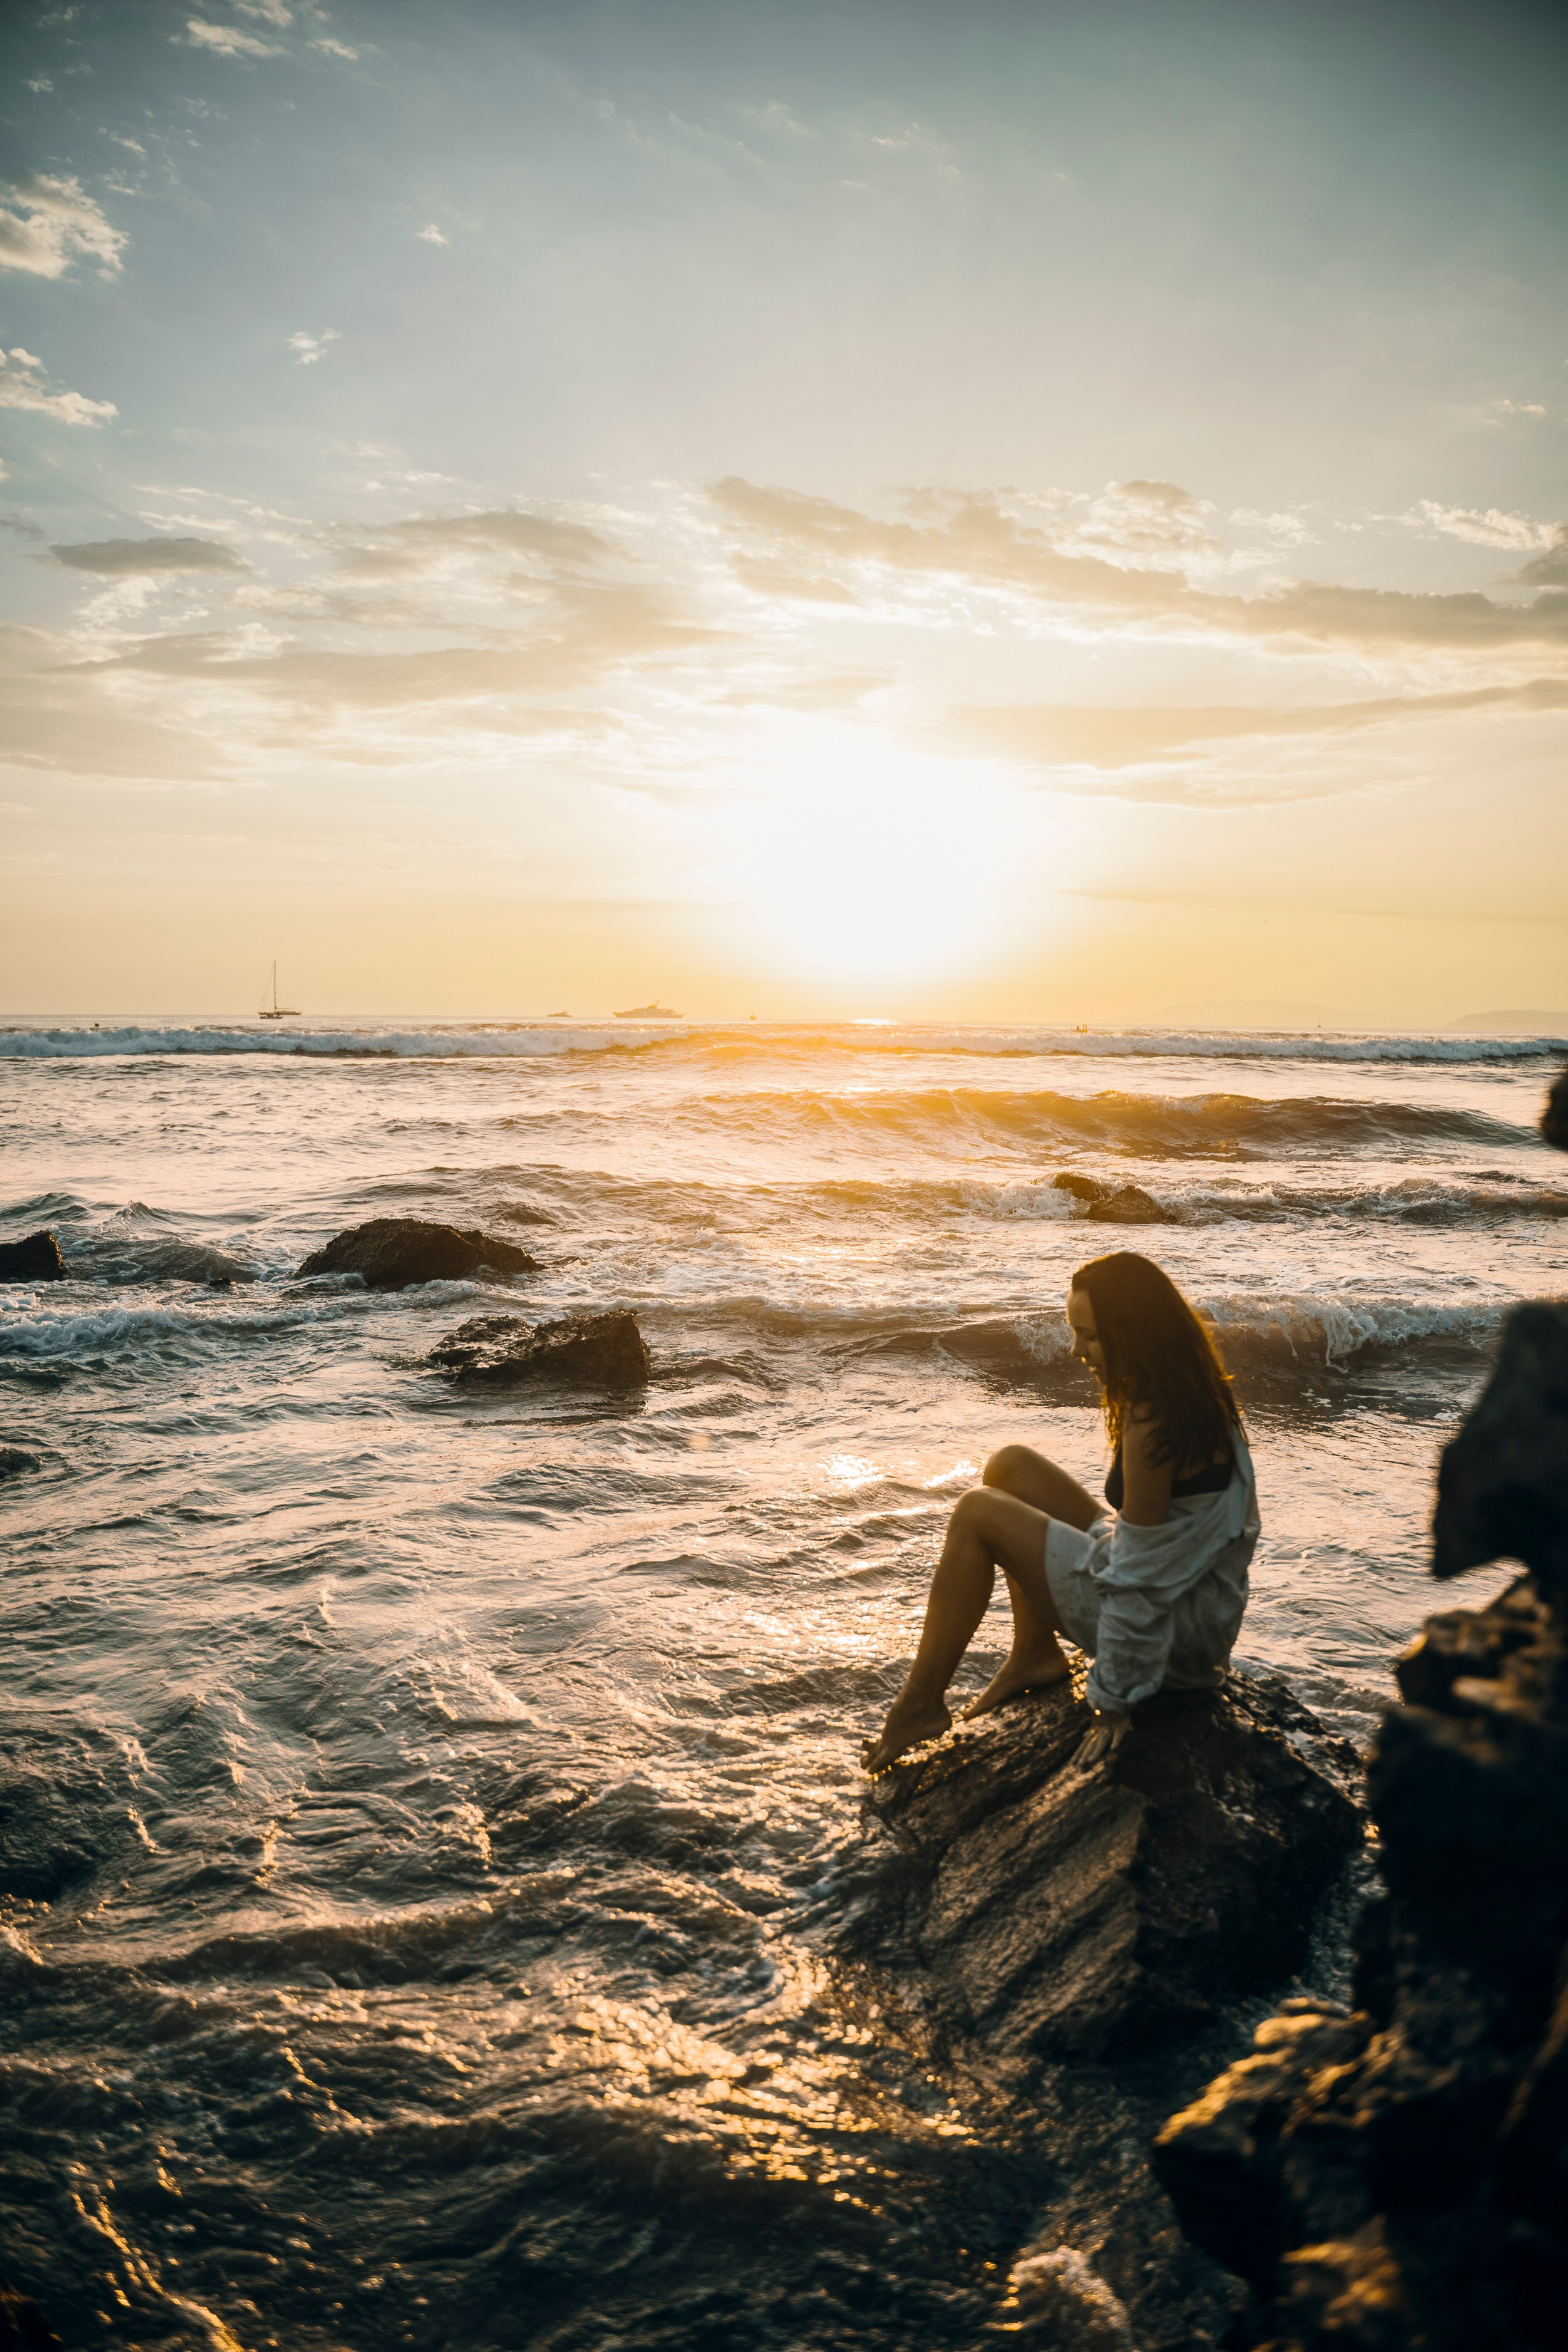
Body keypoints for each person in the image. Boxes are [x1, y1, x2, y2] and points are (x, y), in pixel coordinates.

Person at [864, 1250, 1259, 1775]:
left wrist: (1115, 1702)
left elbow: (1139, 1579)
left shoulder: (1154, 1419)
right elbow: (1167, 1538)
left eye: (1091, 1336)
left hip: (1175, 1641)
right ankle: (1033, 1652)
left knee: (977, 1513)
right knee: (1010, 1467)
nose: (1077, 1350)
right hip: (1193, 1608)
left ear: (1132, 1331)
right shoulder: (1190, 1391)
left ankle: (918, 1704)